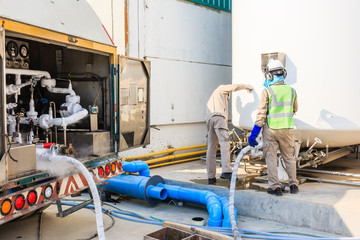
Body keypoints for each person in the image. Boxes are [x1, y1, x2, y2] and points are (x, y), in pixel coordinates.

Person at [248, 59, 299, 196]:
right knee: (289, 157)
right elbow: (294, 110)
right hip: (287, 129)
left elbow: (261, 115)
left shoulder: (267, 91)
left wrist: (254, 133)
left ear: (269, 75)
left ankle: (275, 187)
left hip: (271, 130)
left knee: (271, 158)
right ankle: (293, 185)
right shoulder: (292, 91)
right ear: (284, 74)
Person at [205, 84, 253, 184]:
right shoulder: (221, 89)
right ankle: (226, 171)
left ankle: (211, 177)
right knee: (225, 143)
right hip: (219, 117)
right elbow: (234, 87)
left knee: (211, 148)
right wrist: (247, 87)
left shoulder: (211, 98)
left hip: (209, 120)